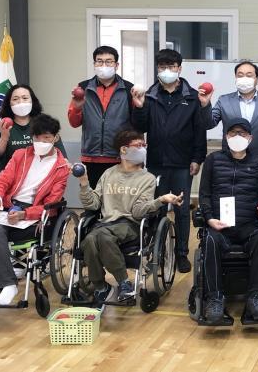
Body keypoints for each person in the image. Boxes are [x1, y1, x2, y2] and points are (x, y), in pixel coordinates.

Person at [0, 114, 69, 305]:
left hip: (34, 215)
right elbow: (2, 181)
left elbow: (52, 203)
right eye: (37, 138)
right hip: (8, 207)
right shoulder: (20, 155)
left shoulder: (61, 167)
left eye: (47, 138)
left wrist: (26, 214)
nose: (41, 142)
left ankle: (9, 285)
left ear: (55, 138)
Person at [78, 130, 183, 303]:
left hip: (130, 224)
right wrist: (84, 182)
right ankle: (101, 286)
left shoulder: (147, 178)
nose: (143, 149)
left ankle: (123, 282)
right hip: (105, 224)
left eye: (144, 145)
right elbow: (93, 204)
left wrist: (160, 200)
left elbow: (138, 212)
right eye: (138, 145)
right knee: (89, 240)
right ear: (124, 150)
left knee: (101, 236)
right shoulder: (108, 173)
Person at [130, 48, 210, 273]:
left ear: (179, 68)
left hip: (183, 163)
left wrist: (197, 158)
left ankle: (181, 253)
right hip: (156, 162)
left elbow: (199, 130)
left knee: (182, 210)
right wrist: (139, 107)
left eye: (171, 66)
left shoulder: (191, 96)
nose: (167, 70)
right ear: (157, 69)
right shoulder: (149, 95)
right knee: (157, 209)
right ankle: (158, 252)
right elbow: (140, 127)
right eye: (162, 67)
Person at [198, 118, 258, 322]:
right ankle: (215, 298)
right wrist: (209, 219)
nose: (237, 137)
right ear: (226, 137)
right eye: (233, 133)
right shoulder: (213, 160)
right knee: (209, 240)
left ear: (250, 138)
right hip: (219, 226)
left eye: (242, 133)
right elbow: (204, 195)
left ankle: (255, 296)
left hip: (248, 225)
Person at [203, 60, 258, 180]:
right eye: (240, 75)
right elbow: (208, 124)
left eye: (249, 75)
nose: (244, 78)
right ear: (235, 78)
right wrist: (205, 105)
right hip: (229, 162)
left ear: (256, 80)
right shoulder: (224, 100)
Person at [67, 45, 134, 189]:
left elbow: (137, 124)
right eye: (100, 61)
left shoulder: (128, 89)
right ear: (94, 64)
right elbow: (74, 122)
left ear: (116, 65)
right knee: (91, 199)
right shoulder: (83, 88)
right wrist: (77, 107)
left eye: (109, 61)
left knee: (117, 200)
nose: (104, 65)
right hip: (91, 156)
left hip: (119, 157)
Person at [0, 84, 67, 173]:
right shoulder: (3, 124)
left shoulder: (44, 122)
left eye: (25, 98)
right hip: (10, 177)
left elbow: (61, 155)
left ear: (32, 101)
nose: (21, 102)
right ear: (9, 103)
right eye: (15, 99)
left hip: (40, 176)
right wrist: (4, 137)